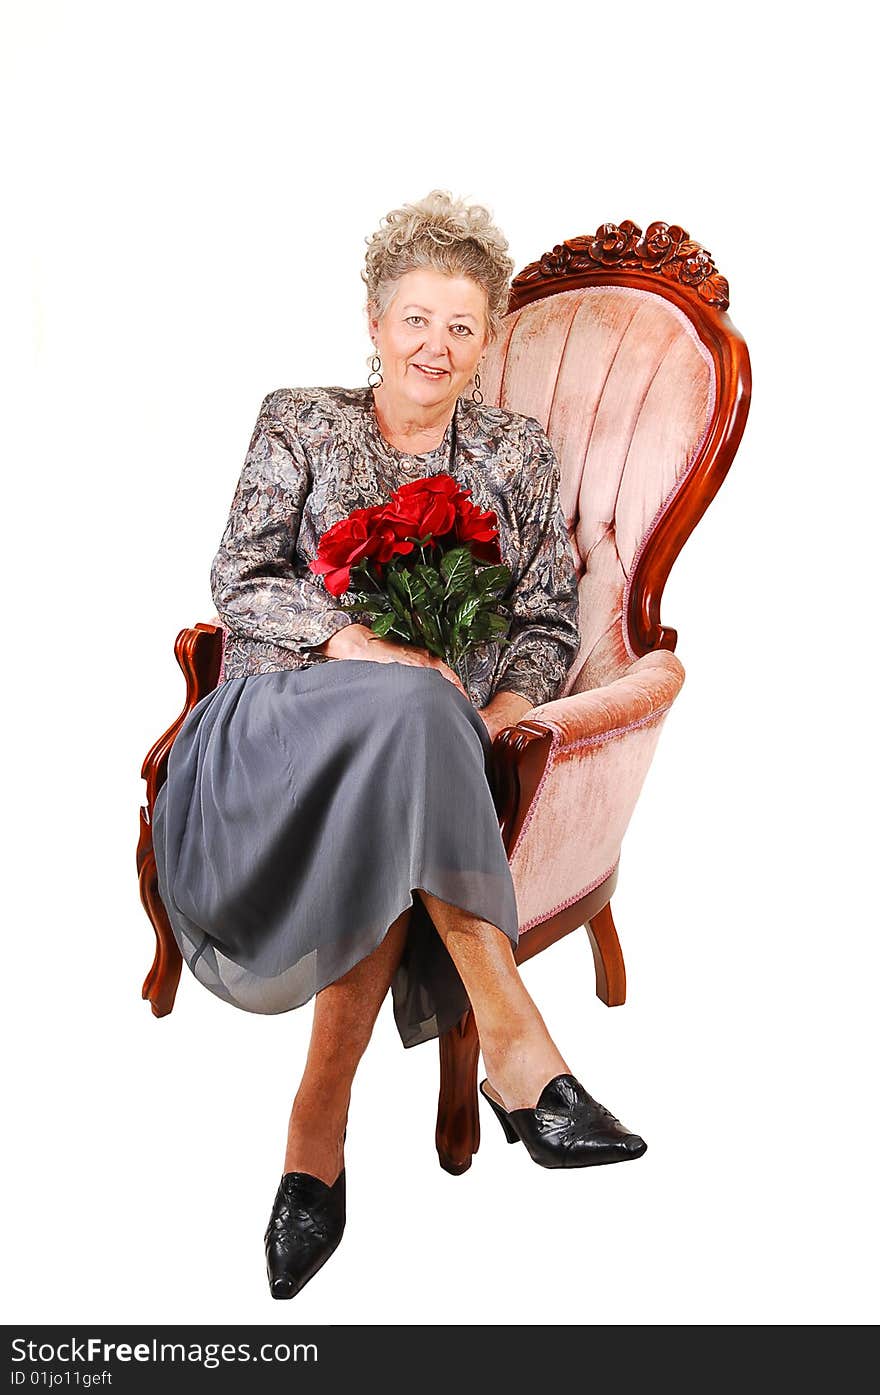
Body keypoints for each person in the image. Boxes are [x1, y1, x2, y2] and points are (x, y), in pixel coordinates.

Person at [151, 188, 647, 1302]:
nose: (437, 345)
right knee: (415, 718)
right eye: (415, 319)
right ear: (375, 322)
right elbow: (240, 582)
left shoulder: (516, 455)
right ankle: (526, 1062)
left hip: (434, 746)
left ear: (488, 341)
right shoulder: (300, 418)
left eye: (463, 326)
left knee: (418, 743)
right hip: (278, 725)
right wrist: (363, 645)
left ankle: (311, 1146)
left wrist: (512, 711)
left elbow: (547, 620)